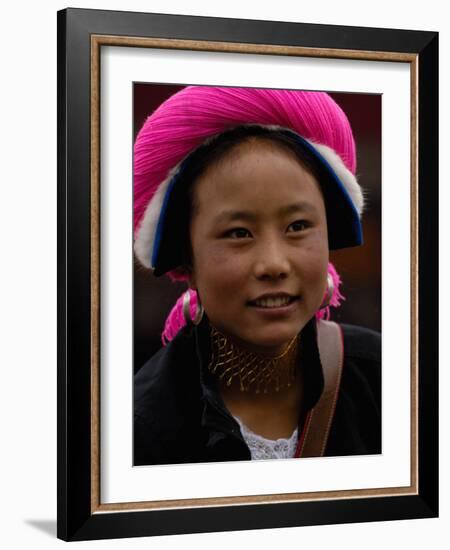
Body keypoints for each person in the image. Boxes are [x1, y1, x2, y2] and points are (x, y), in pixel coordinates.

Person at [133, 86, 381, 465]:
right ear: (188, 260)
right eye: (238, 233)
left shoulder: (394, 382)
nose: (274, 264)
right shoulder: (139, 430)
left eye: (298, 226)